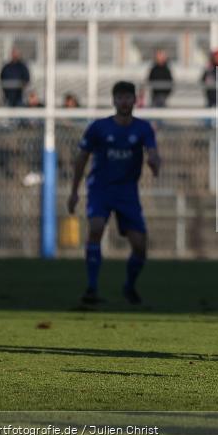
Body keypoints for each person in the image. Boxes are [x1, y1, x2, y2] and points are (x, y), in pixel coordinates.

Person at [67, 81, 160, 305]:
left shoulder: (143, 128)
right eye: (120, 97)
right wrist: (74, 191)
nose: (124, 101)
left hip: (127, 192)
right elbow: (81, 159)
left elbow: (153, 153)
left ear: (135, 100)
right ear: (114, 100)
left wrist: (155, 163)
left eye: (128, 97)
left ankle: (129, 286)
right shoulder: (99, 127)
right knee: (96, 228)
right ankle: (91, 288)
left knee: (139, 245)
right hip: (100, 188)